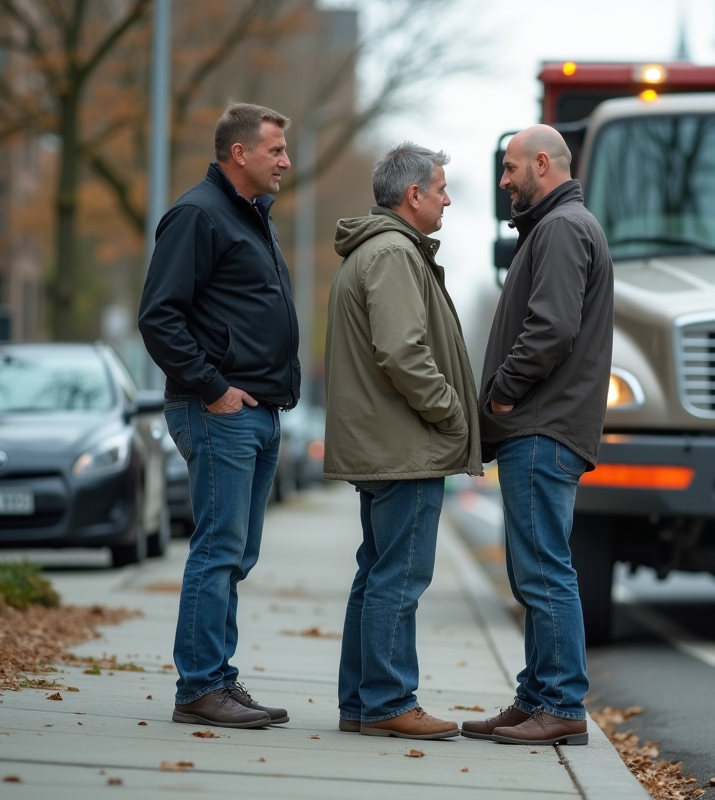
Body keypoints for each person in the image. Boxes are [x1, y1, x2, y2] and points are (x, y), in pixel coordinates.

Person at [139, 102, 299, 729]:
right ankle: (200, 687)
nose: (287, 161)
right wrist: (213, 389)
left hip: (256, 413)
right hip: (219, 412)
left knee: (237, 553)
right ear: (240, 154)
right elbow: (160, 316)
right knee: (218, 550)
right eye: (276, 150)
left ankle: (218, 678)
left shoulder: (251, 217)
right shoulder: (198, 215)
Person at [324, 143, 482, 740]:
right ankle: (389, 701)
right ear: (412, 195)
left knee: (377, 571)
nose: (446, 199)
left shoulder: (380, 248)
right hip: (405, 445)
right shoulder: (393, 252)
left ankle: (362, 703)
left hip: (389, 442)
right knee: (400, 576)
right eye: (440, 188)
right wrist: (450, 416)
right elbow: (401, 351)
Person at [463, 125, 614, 746]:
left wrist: (501, 391)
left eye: (509, 167)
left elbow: (550, 330)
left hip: (541, 426)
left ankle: (560, 705)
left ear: (542, 163)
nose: (504, 181)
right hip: (542, 426)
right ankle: (536, 698)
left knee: (544, 572)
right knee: (534, 571)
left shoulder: (560, 228)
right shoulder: (560, 228)